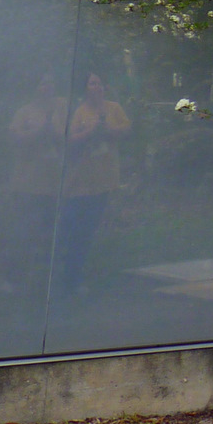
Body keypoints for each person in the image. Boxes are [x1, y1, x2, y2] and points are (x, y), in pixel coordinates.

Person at [55, 74, 130, 298]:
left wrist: (106, 129)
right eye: (91, 83)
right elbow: (70, 140)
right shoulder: (79, 111)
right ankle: (60, 274)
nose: (96, 87)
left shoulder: (114, 108)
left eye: (99, 83)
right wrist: (91, 131)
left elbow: (126, 130)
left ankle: (74, 278)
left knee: (86, 232)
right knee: (69, 229)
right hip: (79, 183)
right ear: (85, 88)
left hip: (103, 182)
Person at [3, 74, 67, 296]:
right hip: (26, 185)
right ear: (35, 88)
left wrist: (54, 132)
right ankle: (13, 280)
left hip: (52, 185)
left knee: (50, 235)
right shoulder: (25, 111)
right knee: (22, 233)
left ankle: (45, 283)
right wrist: (41, 131)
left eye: (50, 84)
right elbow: (15, 138)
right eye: (42, 84)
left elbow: (68, 138)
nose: (46, 88)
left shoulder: (61, 111)